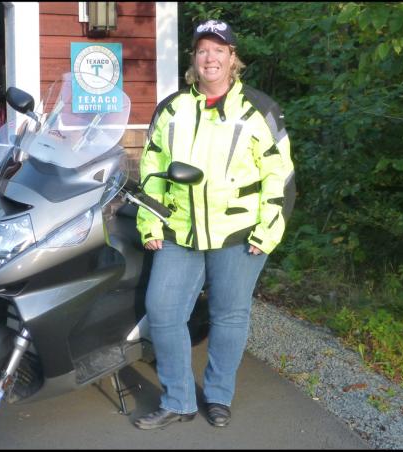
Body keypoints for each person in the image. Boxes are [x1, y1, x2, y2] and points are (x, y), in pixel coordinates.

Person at [132, 19, 295, 430]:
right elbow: (151, 169)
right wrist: (150, 222)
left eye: (219, 50)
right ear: (194, 59)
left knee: (230, 315)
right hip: (178, 231)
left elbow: (281, 176)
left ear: (232, 58)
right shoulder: (172, 108)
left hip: (239, 234)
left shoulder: (260, 109)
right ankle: (179, 400)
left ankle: (219, 396)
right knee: (163, 312)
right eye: (203, 50)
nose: (210, 58)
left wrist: (268, 230)